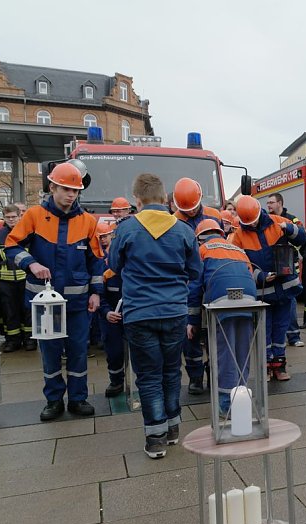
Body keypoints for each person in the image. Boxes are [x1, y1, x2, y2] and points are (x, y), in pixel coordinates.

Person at [109, 173, 201, 458]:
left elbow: (113, 264)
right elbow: (195, 271)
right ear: (165, 198)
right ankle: (173, 429)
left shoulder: (126, 229)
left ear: (137, 200)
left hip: (139, 313)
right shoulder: (184, 230)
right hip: (174, 311)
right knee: (172, 371)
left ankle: (155, 438)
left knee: (148, 377)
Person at [6, 162, 104, 421]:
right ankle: (53, 400)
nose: (71, 195)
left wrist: (96, 292)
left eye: (75, 190)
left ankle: (78, 398)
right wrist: (31, 263)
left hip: (77, 303)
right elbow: (11, 247)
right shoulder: (34, 216)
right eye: (66, 189)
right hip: (45, 304)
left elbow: (97, 260)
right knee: (50, 354)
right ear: (53, 188)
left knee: (78, 352)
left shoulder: (87, 222)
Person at [230, 195, 306, 381]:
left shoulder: (278, 221)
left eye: (255, 221)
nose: (253, 225)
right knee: (263, 330)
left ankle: (279, 366)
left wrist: (289, 229)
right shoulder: (239, 235)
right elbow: (240, 264)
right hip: (262, 290)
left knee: (280, 328)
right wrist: (260, 276)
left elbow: (303, 238)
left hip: (285, 288)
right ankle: (265, 366)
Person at [188, 219, 257, 413]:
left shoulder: (203, 250)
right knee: (242, 352)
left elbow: (194, 288)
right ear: (220, 233)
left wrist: (192, 321)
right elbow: (249, 274)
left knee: (225, 353)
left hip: (221, 301)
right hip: (249, 300)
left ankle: (227, 405)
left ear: (199, 238)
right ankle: (242, 399)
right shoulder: (237, 249)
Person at [172, 177, 221, 395]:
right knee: (190, 334)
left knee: (213, 332)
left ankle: (213, 371)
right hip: (186, 282)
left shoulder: (214, 215)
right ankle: (195, 376)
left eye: (193, 209)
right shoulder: (173, 220)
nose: (191, 213)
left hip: (211, 279)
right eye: (186, 210)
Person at [0, 205, 33, 352]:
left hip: (24, 278)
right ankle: (13, 340)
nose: (11, 219)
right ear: (4, 218)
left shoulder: (28, 233)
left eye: (14, 216)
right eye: (8, 217)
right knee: (9, 311)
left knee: (27, 310)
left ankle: (29, 339)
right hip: (6, 281)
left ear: (20, 216)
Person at [265, 193, 304, 348]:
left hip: (289, 267)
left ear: (280, 203)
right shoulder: (267, 220)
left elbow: (301, 238)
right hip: (273, 268)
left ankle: (294, 336)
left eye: (271, 202)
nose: (268, 205)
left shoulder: (292, 220)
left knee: (291, 301)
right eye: (267, 203)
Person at [97, 223, 125, 397]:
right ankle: (116, 381)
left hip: (134, 316)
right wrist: (107, 313)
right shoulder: (105, 271)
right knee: (114, 352)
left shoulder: (135, 270)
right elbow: (98, 296)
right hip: (111, 318)